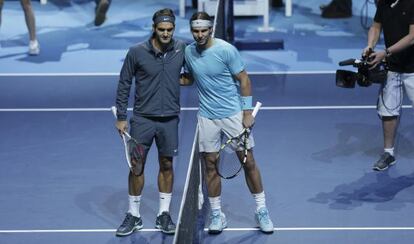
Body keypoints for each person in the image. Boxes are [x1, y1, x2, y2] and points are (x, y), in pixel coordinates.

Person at [180, 12, 274, 234]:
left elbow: (244, 79)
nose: (200, 35)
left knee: (248, 162)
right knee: (210, 166)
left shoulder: (225, 50)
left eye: (203, 30)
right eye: (196, 31)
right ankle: (216, 214)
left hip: (232, 114)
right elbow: (191, 78)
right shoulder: (188, 51)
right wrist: (163, 78)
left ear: (210, 29)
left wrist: (247, 112)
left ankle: (261, 210)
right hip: (206, 116)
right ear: (191, 30)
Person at [114, 8, 186, 236]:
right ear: (153, 28)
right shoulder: (136, 52)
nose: (166, 33)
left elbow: (195, 72)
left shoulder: (181, 48)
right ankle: (134, 215)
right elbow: (124, 83)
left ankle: (163, 214)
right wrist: (122, 118)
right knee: (137, 166)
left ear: (174, 29)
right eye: (162, 29)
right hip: (142, 120)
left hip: (170, 120)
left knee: (167, 165)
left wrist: (182, 79)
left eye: (170, 29)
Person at [363, 0, 414, 171]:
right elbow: (376, 27)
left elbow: (412, 37)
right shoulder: (383, 3)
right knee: (388, 111)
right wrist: (370, 46)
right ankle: (388, 153)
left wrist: (385, 52)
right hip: (393, 67)